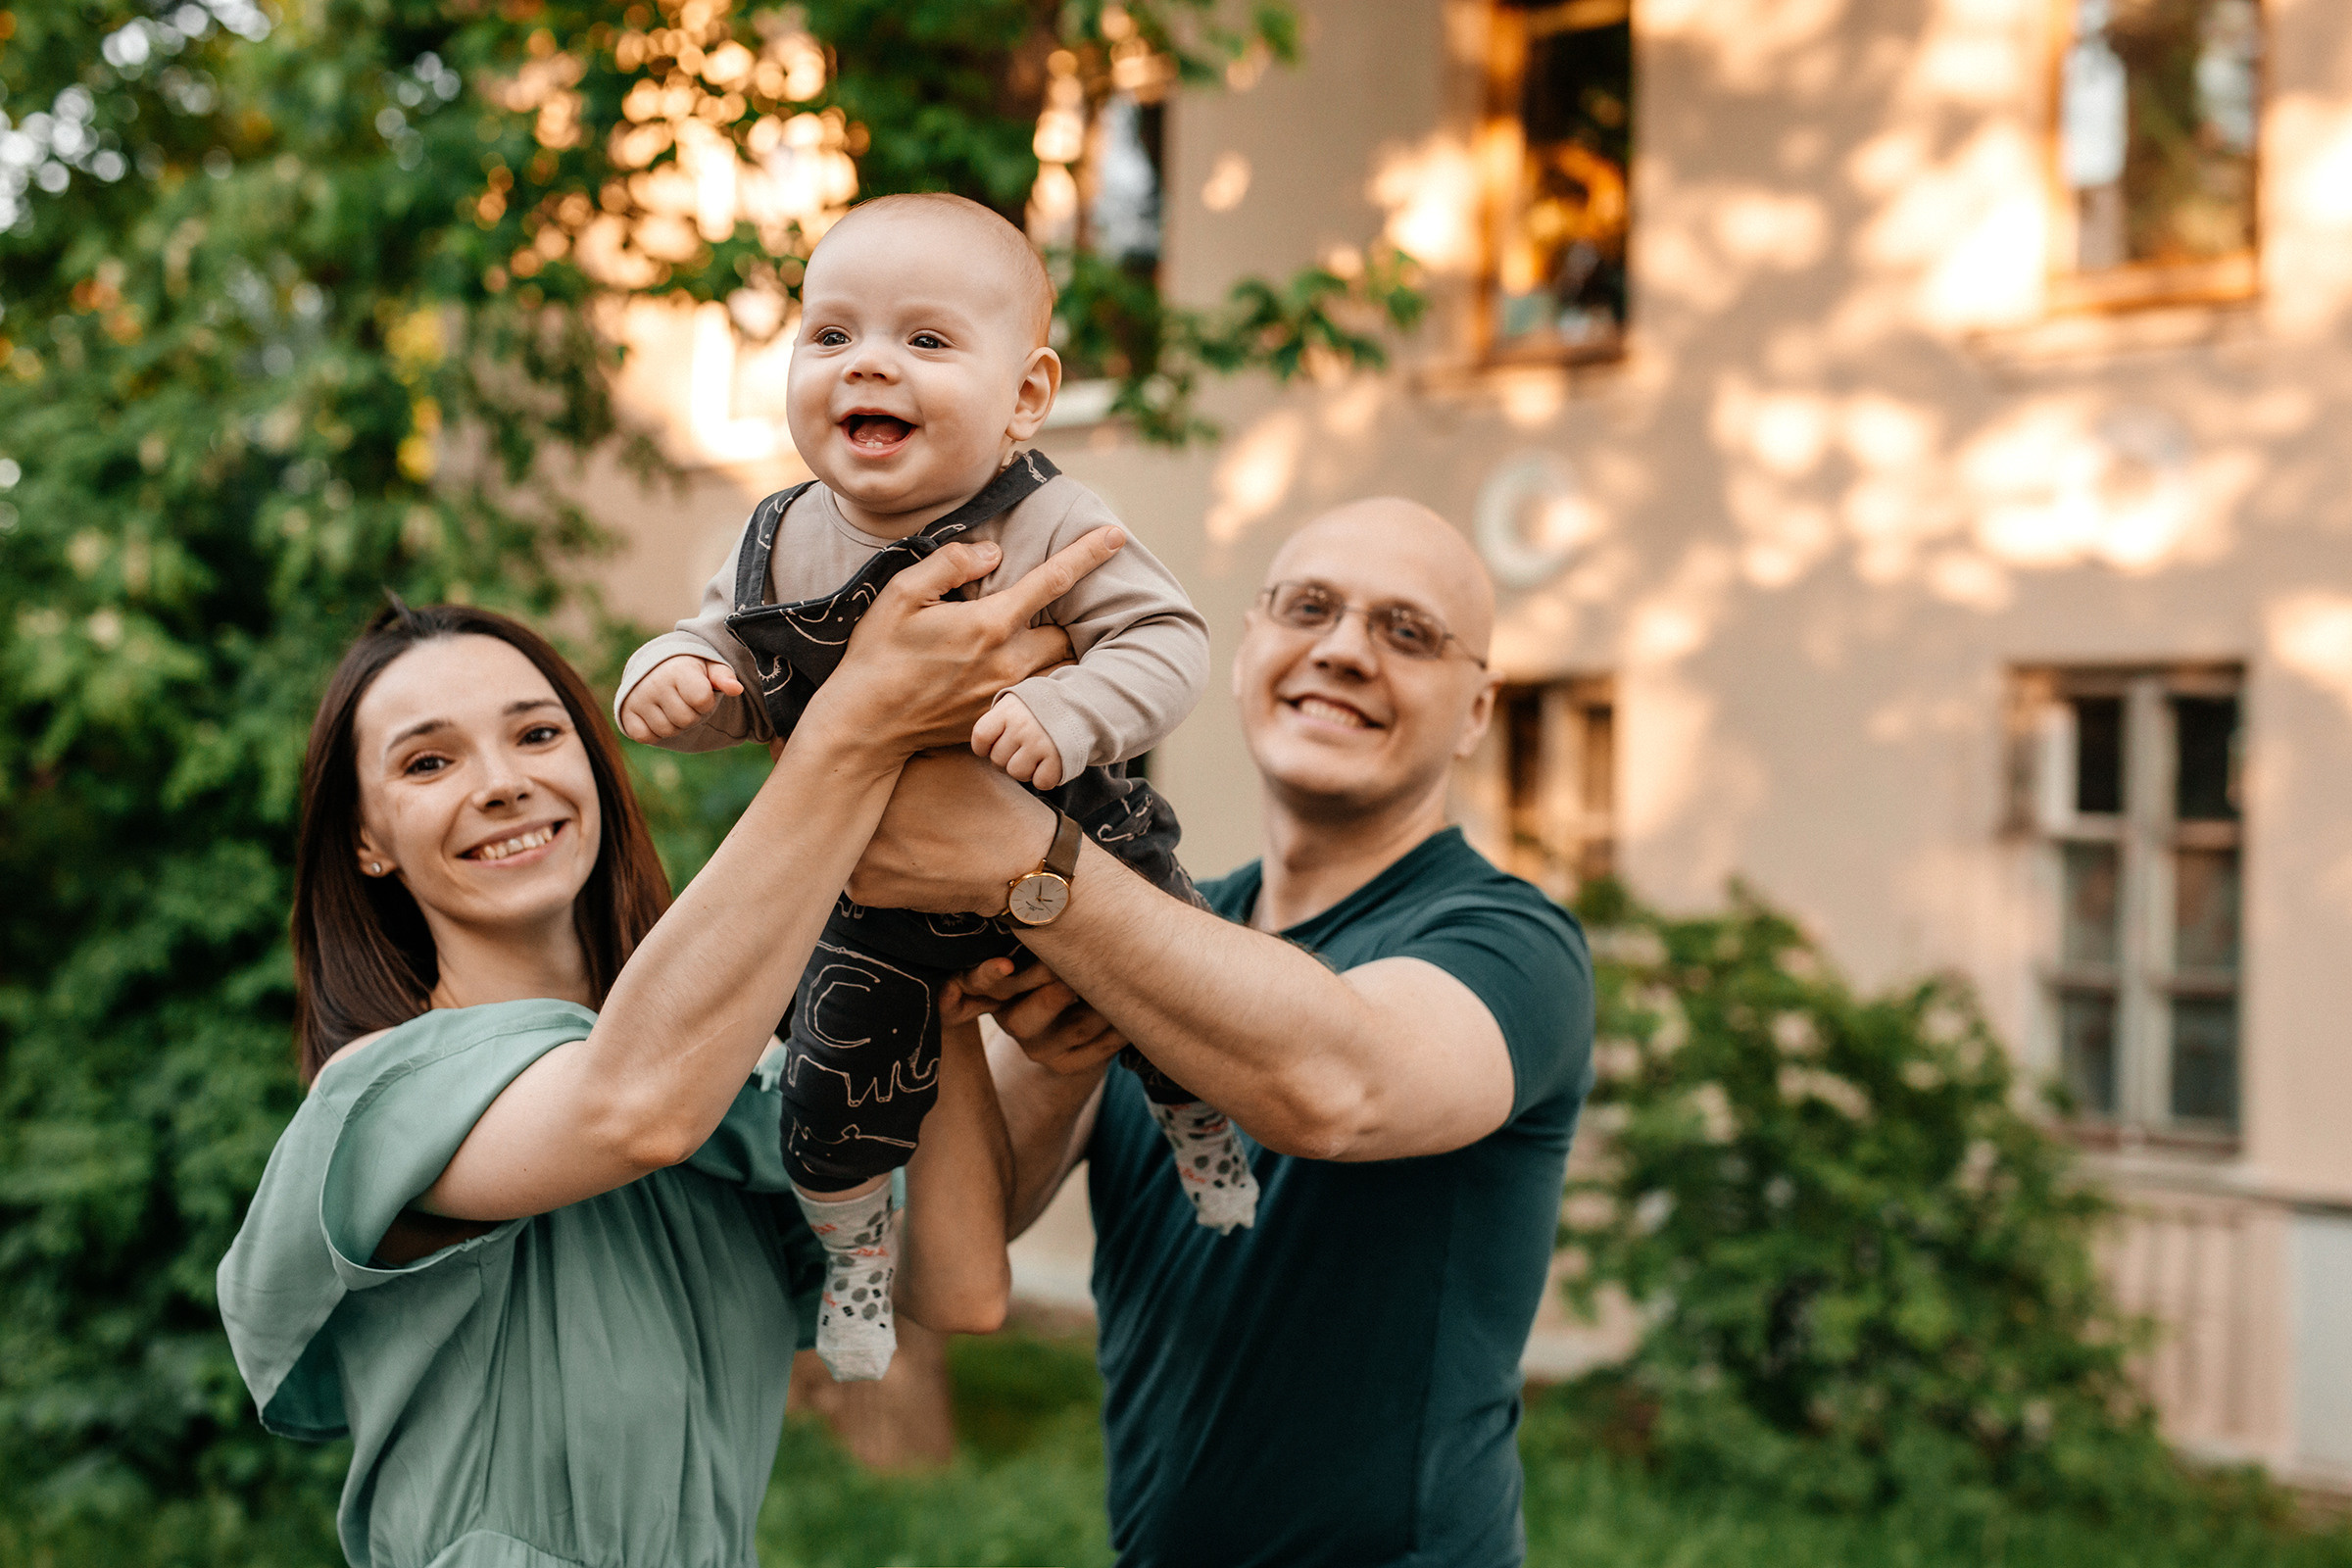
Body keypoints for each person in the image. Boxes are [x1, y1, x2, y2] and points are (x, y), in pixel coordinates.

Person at [216, 525, 1106, 1568]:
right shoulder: (383, 1097)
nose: (501, 782)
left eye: (538, 735)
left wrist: (917, 961)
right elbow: (631, 1108)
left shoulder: (735, 1094)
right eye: (427, 761)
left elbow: (955, 1285)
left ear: (596, 771)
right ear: (367, 840)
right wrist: (856, 732)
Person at [850, 498, 1597, 1568]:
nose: (1343, 650)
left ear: (1477, 710)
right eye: (1310, 608)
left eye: (1408, 631)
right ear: (1246, 652)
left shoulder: (1515, 943)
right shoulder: (1154, 934)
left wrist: (1024, 864)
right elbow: (950, 1259)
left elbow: (1334, 1086)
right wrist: (994, 1013)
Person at [612, 192, 1251, 1382]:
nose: (872, 366)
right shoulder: (778, 536)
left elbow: (1167, 644)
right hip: (876, 899)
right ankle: (856, 1255)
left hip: (1066, 837)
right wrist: (673, 678)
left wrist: (1068, 712)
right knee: (831, 1083)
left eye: (926, 340)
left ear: (1026, 396)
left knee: (1174, 978)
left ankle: (1201, 1128)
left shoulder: (1052, 518)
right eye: (833, 334)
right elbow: (726, 665)